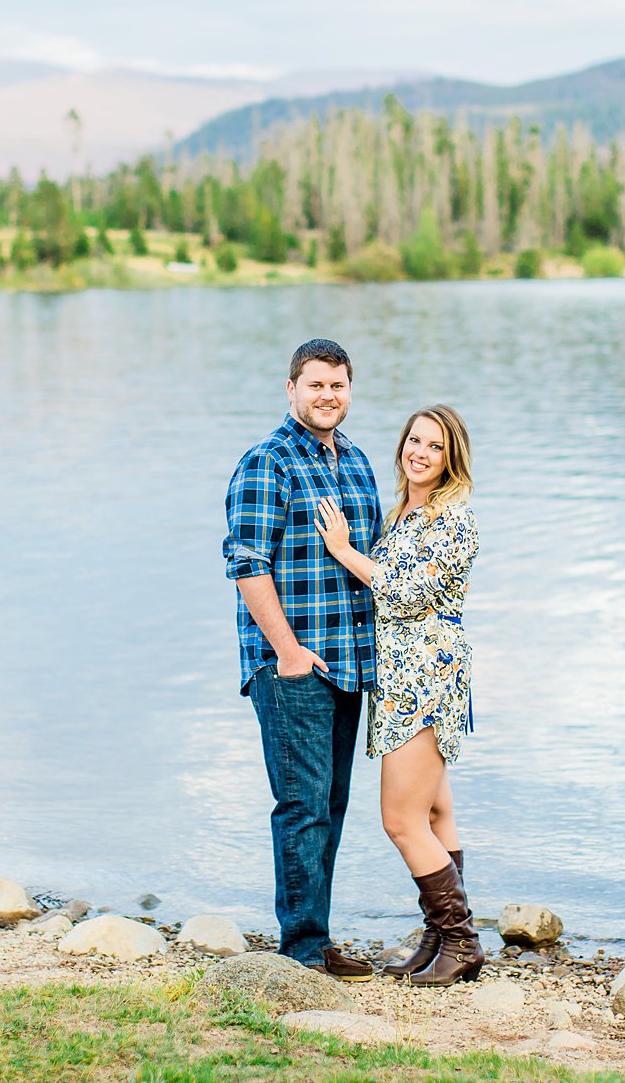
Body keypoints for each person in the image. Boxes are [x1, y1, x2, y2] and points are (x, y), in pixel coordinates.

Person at [222, 338, 384, 979]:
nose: (327, 396)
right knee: (302, 807)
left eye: (337, 385)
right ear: (291, 389)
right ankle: (302, 953)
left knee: (331, 806)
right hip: (293, 668)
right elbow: (245, 563)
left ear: (349, 390)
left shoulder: (357, 461)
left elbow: (371, 558)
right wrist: (286, 651)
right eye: (315, 385)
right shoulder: (268, 462)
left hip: (350, 665)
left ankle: (313, 939)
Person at [314, 404, 482, 985]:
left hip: (425, 682)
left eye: (434, 446)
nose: (420, 452)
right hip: (402, 678)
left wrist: (343, 551)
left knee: (400, 819)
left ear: (451, 458)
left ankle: (461, 940)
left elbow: (408, 594)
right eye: (414, 440)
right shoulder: (407, 512)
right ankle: (438, 941)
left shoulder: (454, 520)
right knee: (436, 811)